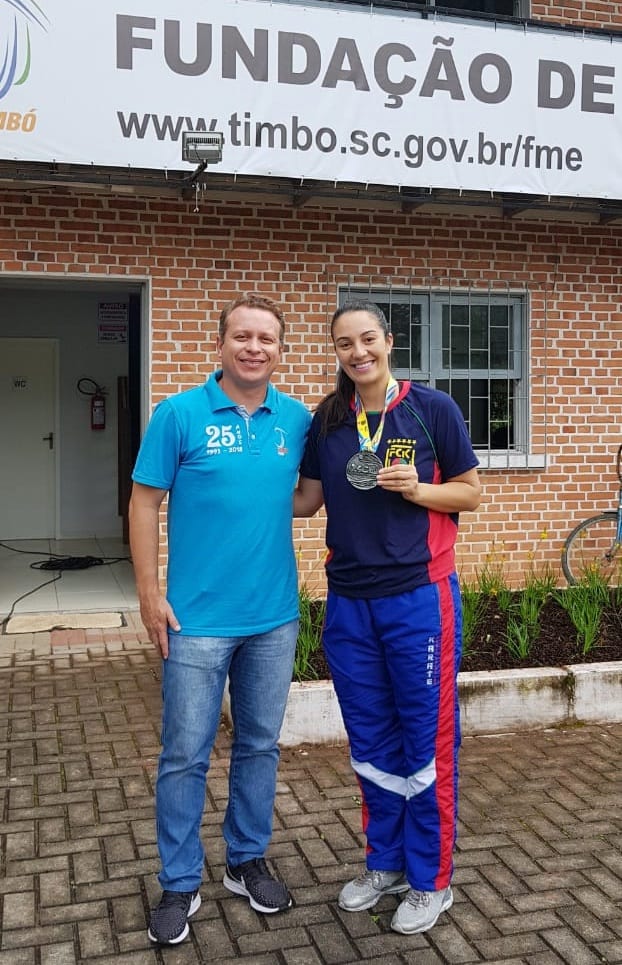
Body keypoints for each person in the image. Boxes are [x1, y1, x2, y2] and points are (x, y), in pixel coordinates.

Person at [294, 300, 481, 935]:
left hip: (418, 598)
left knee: (426, 741)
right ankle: (385, 863)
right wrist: (224, 485)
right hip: (349, 601)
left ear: (389, 340)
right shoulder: (328, 419)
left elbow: (470, 492)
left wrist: (418, 490)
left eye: (367, 338)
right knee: (371, 740)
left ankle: (431, 880)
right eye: (345, 344)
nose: (358, 352)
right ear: (336, 352)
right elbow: (306, 500)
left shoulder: (432, 409)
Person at [129, 293, 311, 946]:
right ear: (220, 344)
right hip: (195, 621)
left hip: (273, 618)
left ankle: (245, 860)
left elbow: (306, 497)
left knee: (260, 744)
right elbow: (144, 502)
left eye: (266, 338)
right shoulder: (178, 414)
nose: (254, 347)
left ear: (280, 350)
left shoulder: (296, 419)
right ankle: (180, 881)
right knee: (185, 754)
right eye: (242, 336)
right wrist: (149, 593)